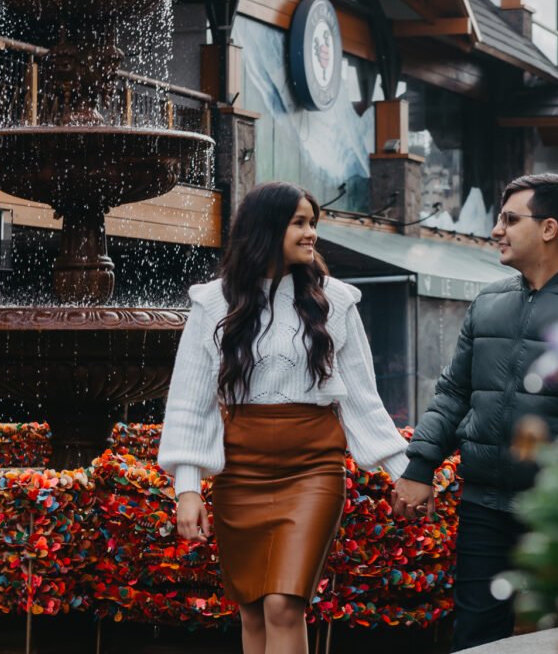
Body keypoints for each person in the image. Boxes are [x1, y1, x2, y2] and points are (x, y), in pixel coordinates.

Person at [391, 173, 558, 651]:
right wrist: (419, 466)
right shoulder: (489, 302)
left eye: (510, 219)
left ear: (549, 228)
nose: (496, 230)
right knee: (475, 638)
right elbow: (454, 392)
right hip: (485, 505)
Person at [159, 181, 410, 654]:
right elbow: (190, 399)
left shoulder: (336, 301)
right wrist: (187, 488)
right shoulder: (212, 302)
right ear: (266, 228)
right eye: (300, 222)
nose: (311, 232)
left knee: (283, 604)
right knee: (252, 607)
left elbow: (361, 397)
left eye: (312, 222)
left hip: (313, 468)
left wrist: (403, 472)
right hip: (240, 473)